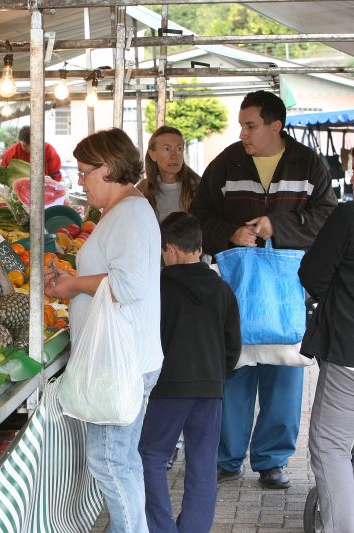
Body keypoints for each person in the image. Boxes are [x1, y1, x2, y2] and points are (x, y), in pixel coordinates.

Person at [190, 90, 337, 489]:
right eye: (241, 125)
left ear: (276, 125)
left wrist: (278, 227)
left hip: (289, 293)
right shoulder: (225, 163)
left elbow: (328, 217)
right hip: (236, 291)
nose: (244, 133)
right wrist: (231, 233)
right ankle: (227, 458)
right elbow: (198, 219)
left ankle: (273, 460)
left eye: (251, 125)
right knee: (234, 373)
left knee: (284, 376)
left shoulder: (310, 164)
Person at [45, 128, 163, 531]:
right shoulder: (123, 213)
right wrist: (70, 278)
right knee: (121, 461)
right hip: (124, 357)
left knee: (110, 463)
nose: (81, 182)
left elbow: (127, 285)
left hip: (121, 360)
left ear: (108, 168)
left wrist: (73, 285)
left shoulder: (129, 214)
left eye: (84, 172)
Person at [139, 212, 241, 533]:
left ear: (169, 248)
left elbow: (146, 337)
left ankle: (161, 528)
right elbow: (233, 345)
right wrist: (217, 375)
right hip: (211, 387)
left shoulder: (157, 288)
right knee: (202, 461)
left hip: (169, 387)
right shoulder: (222, 289)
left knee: (151, 456)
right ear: (198, 247)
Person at [298, 138, 354, 533]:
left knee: (330, 447)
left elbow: (312, 275)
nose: (353, 178)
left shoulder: (351, 217)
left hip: (350, 353)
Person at [137, 126, 201, 222]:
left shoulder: (198, 187)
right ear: (152, 154)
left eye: (179, 149)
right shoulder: (143, 190)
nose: (174, 156)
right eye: (166, 149)